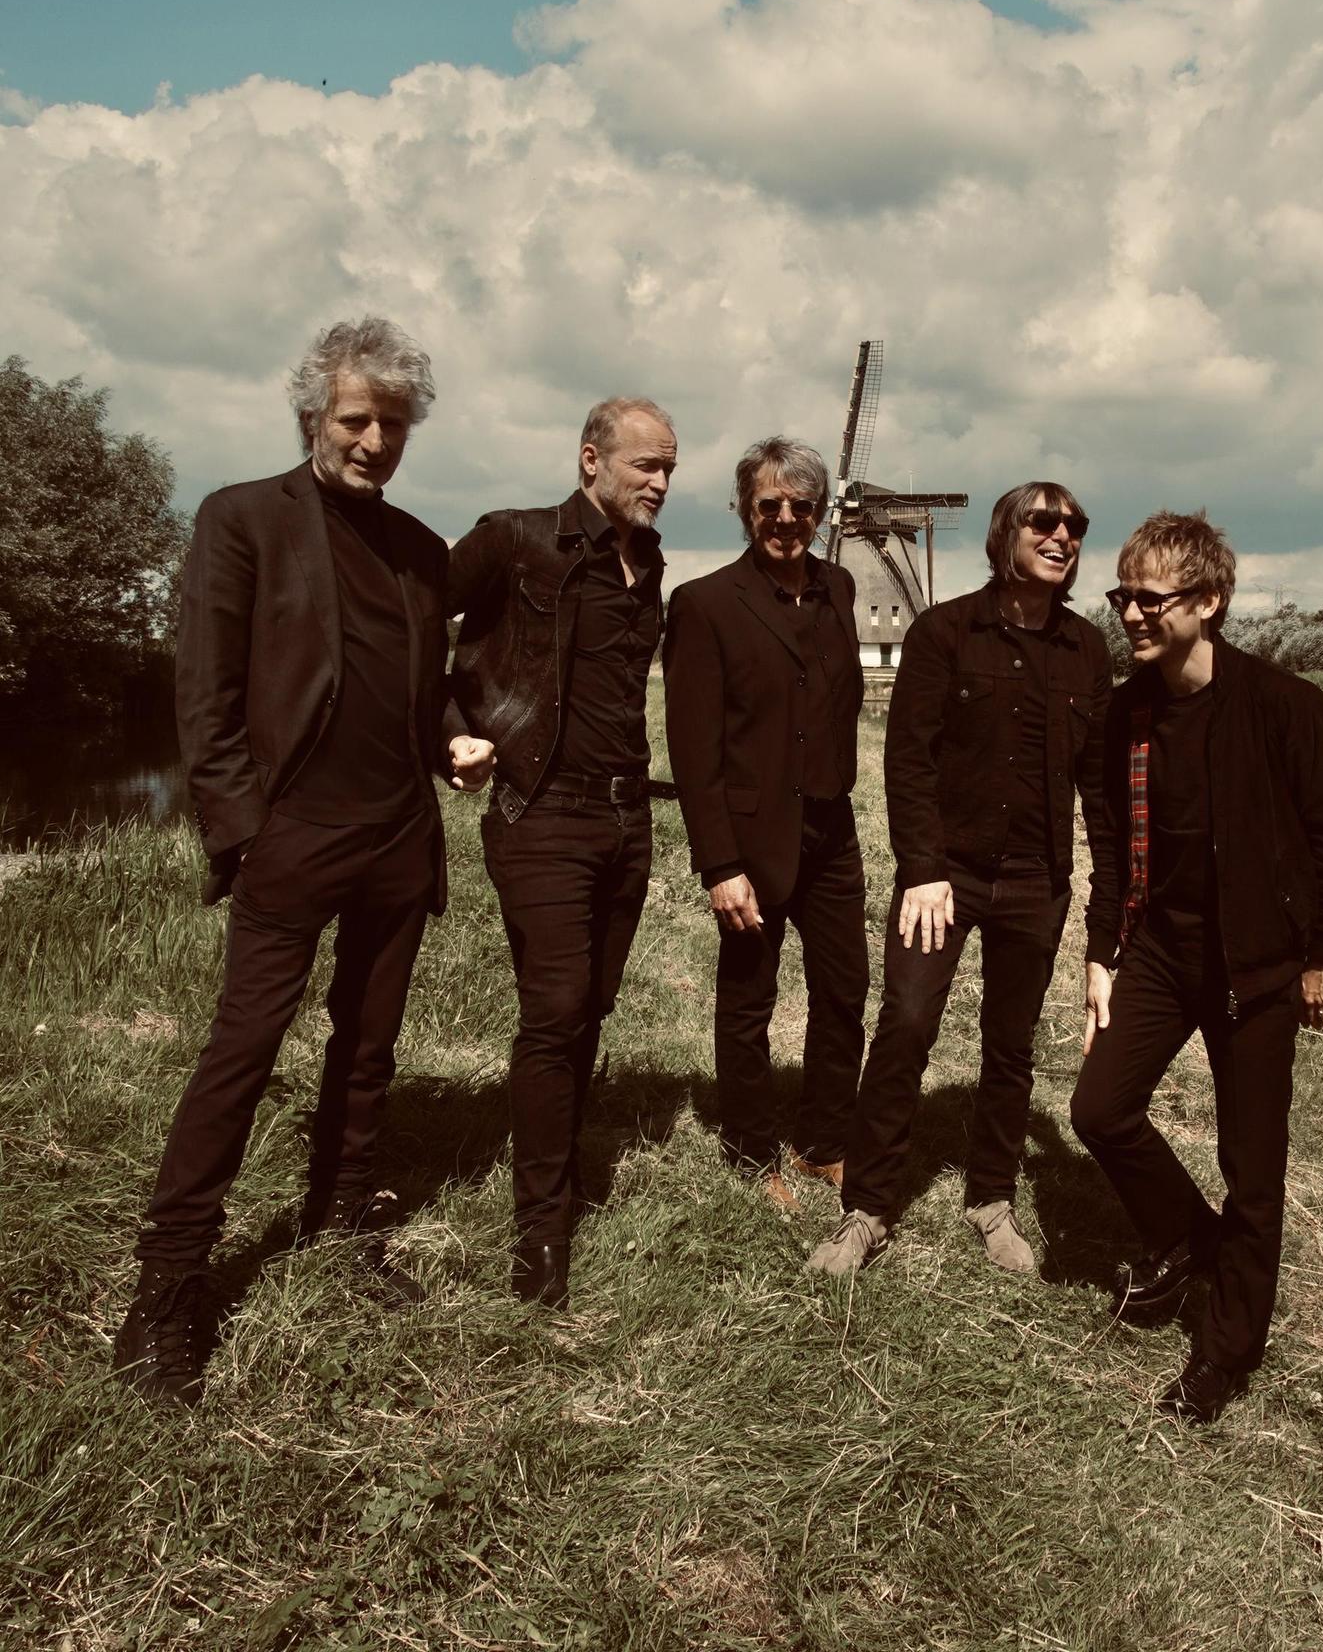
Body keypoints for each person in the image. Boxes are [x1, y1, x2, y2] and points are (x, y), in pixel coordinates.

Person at [114, 317, 479, 1406]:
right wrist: (242, 831)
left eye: (394, 426)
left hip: (395, 840)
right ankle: (170, 1285)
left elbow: (422, 688)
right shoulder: (241, 519)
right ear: (313, 413)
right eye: (356, 420)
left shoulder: (419, 548)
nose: (374, 442)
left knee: (367, 1050)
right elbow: (206, 692)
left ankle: (337, 1226)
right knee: (242, 1051)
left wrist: (451, 734)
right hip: (292, 838)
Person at [1070, 511, 1323, 1424]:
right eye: (1123, 597)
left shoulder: (1287, 707)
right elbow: (1114, 845)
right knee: (1099, 1110)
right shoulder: (1126, 712)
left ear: (1209, 600)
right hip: (1162, 951)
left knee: (1253, 1167)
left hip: (1258, 966)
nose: (1131, 615)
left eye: (1150, 599)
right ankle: (1190, 1242)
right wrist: (1101, 951)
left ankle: (1227, 1353)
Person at [808, 483, 1113, 1277]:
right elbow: (907, 760)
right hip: (948, 876)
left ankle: (990, 1198)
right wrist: (923, 870)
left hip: (1037, 881)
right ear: (1004, 534)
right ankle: (868, 1211)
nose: (1061, 536)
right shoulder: (944, 633)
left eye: (1074, 526)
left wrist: (1108, 913)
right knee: (906, 1025)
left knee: (1010, 1046)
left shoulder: (1086, 650)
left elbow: (1104, 790)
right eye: (1043, 522)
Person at [444, 398, 676, 1307]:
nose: (659, 483)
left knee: (593, 1008)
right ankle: (542, 1233)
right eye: (644, 466)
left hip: (627, 820)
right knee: (557, 1008)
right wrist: (453, 730)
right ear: (590, 459)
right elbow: (407, 621)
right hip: (540, 811)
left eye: (669, 468)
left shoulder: (647, 562)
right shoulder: (512, 540)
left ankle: (560, 1163)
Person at [663, 438, 868, 1206]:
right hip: (751, 838)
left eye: (800, 506)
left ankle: (822, 1142)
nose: (785, 519)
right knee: (750, 998)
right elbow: (694, 747)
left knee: (846, 986)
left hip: (831, 830)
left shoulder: (839, 589)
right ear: (744, 510)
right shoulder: (706, 603)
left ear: (819, 513)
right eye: (769, 505)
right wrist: (720, 864)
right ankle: (751, 1151)